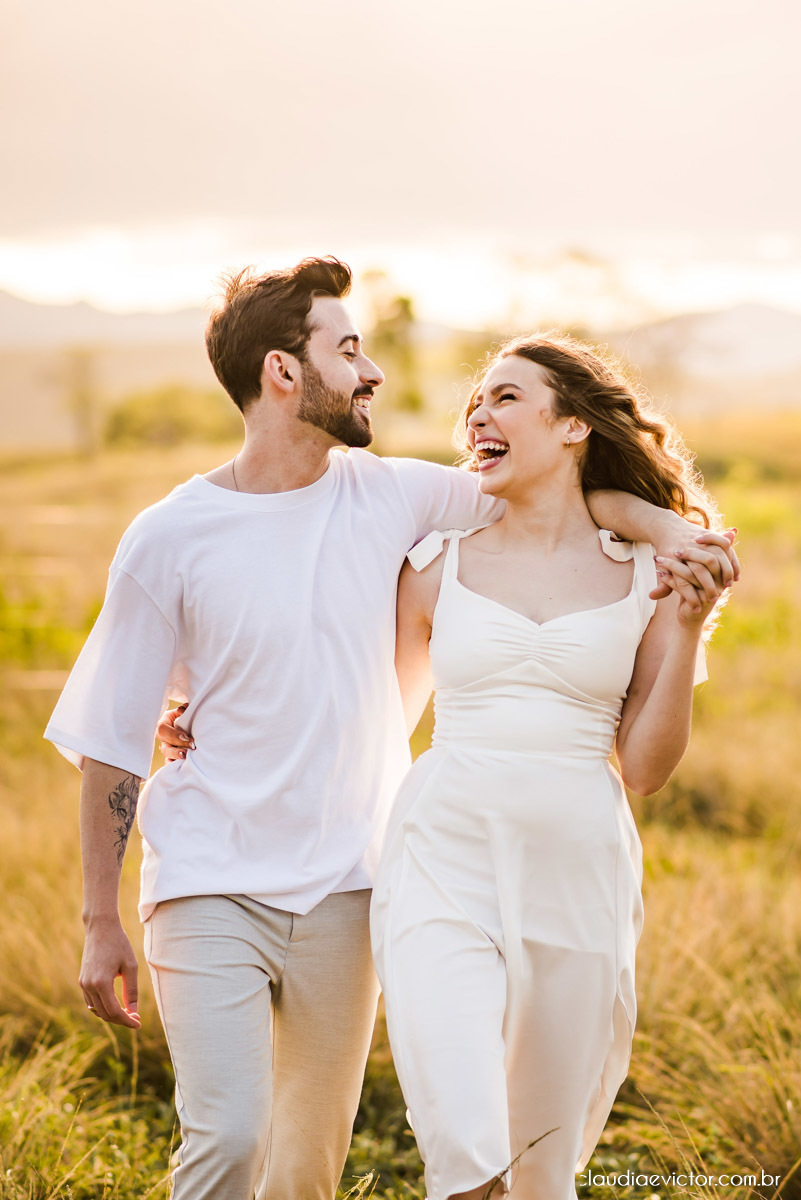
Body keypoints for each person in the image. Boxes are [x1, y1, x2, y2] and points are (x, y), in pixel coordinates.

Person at [45, 257, 737, 1200]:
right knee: (231, 1139)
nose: (371, 373)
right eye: (349, 350)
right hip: (211, 874)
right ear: (284, 374)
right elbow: (112, 734)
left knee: (308, 1162)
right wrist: (98, 919)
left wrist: (663, 530)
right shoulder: (169, 535)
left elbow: (553, 497)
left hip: (348, 884)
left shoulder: (394, 495)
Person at [370, 333, 733, 1200]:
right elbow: (367, 714)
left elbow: (643, 769)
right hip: (441, 854)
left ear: (571, 424)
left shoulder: (649, 574)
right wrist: (203, 710)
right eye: (476, 400)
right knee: (463, 1137)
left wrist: (683, 627)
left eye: (503, 397)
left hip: (576, 871)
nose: (476, 414)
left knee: (538, 1159)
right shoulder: (433, 566)